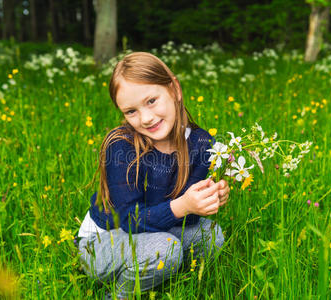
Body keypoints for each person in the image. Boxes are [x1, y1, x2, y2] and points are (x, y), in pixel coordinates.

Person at [77, 52, 229, 299]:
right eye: (131, 111)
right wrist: (183, 205)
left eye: (151, 101)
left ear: (174, 89)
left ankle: (176, 287)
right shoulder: (122, 147)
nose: (146, 118)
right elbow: (129, 221)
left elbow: (186, 219)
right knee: (165, 249)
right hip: (104, 243)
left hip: (152, 233)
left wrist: (204, 200)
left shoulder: (202, 144)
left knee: (210, 235)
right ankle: (118, 295)